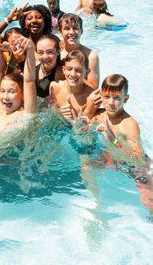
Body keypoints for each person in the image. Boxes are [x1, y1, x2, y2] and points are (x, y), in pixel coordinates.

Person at [91, 74, 153, 208]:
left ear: (126, 99)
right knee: (87, 166)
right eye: (106, 97)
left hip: (135, 167)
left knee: (148, 198)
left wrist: (112, 139)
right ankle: (96, 202)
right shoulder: (98, 115)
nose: (111, 102)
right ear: (100, 95)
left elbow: (137, 159)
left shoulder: (129, 124)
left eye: (117, 98)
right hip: (113, 159)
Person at [49, 50, 97, 123]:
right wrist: (58, 113)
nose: (73, 74)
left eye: (78, 70)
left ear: (87, 73)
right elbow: (50, 115)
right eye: (69, 69)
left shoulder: (91, 96)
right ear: (64, 70)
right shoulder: (55, 87)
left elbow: (85, 127)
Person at [59, 13, 100, 90]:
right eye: (67, 28)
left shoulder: (91, 56)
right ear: (60, 32)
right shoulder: (57, 53)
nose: (71, 32)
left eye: (75, 28)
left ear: (81, 31)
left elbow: (94, 87)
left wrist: (77, 75)